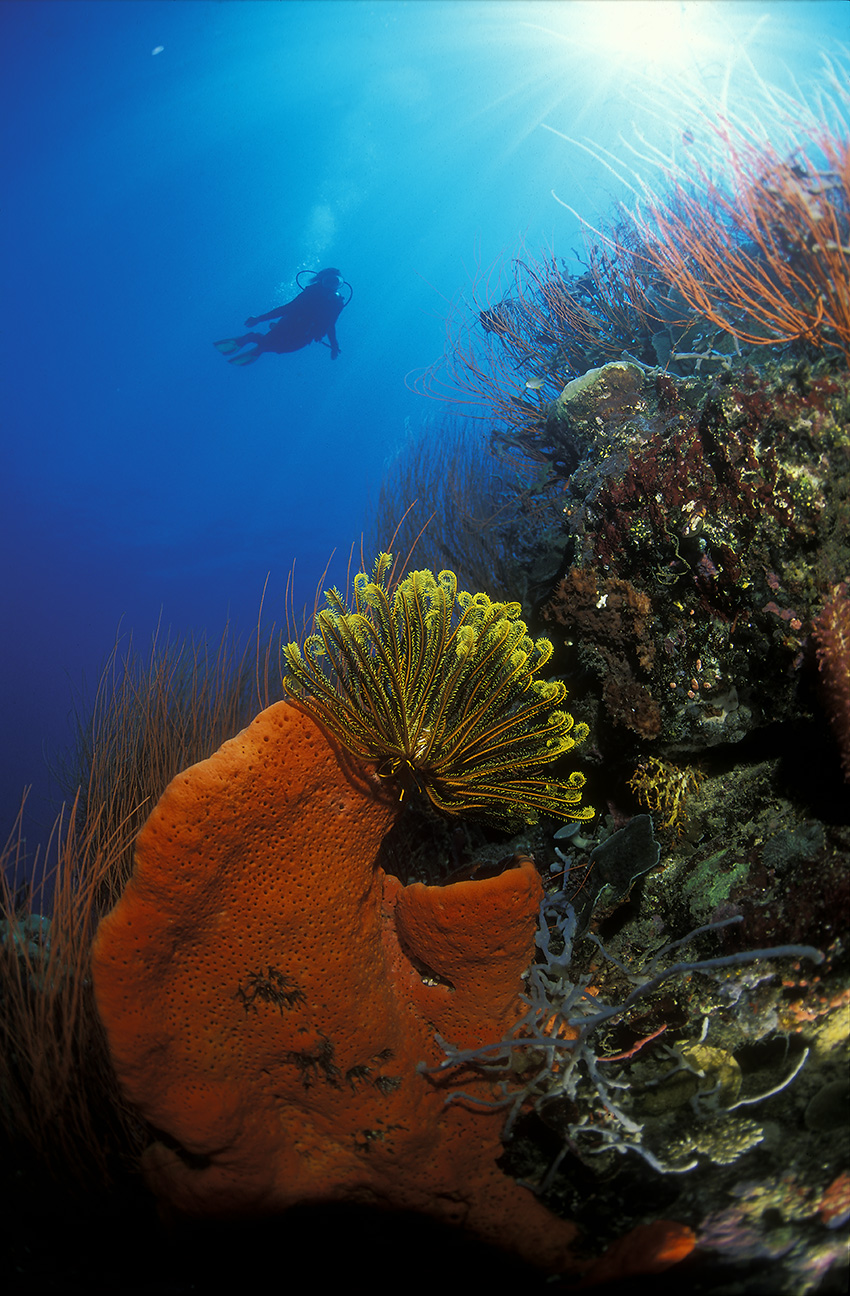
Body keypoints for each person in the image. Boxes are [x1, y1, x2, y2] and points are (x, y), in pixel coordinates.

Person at [214, 267, 350, 366]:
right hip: (288, 325)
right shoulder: (311, 293)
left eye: (335, 282)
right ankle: (253, 339)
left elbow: (330, 325)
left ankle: (259, 344)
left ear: (340, 285)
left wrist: (334, 345)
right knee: (269, 344)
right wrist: (259, 318)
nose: (331, 286)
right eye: (328, 281)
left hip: (306, 335)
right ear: (321, 281)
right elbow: (287, 308)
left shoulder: (337, 304)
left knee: (281, 349)